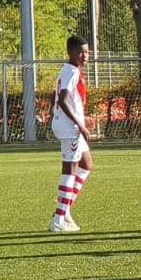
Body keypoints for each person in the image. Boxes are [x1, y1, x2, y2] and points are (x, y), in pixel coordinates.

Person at [49, 36, 93, 232]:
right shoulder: (71, 71)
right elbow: (63, 100)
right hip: (70, 128)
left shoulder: (68, 71)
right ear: (70, 52)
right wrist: (80, 125)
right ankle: (58, 221)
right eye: (80, 52)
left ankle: (64, 210)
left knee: (86, 165)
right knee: (70, 170)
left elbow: (58, 97)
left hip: (67, 125)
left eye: (87, 52)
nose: (84, 56)